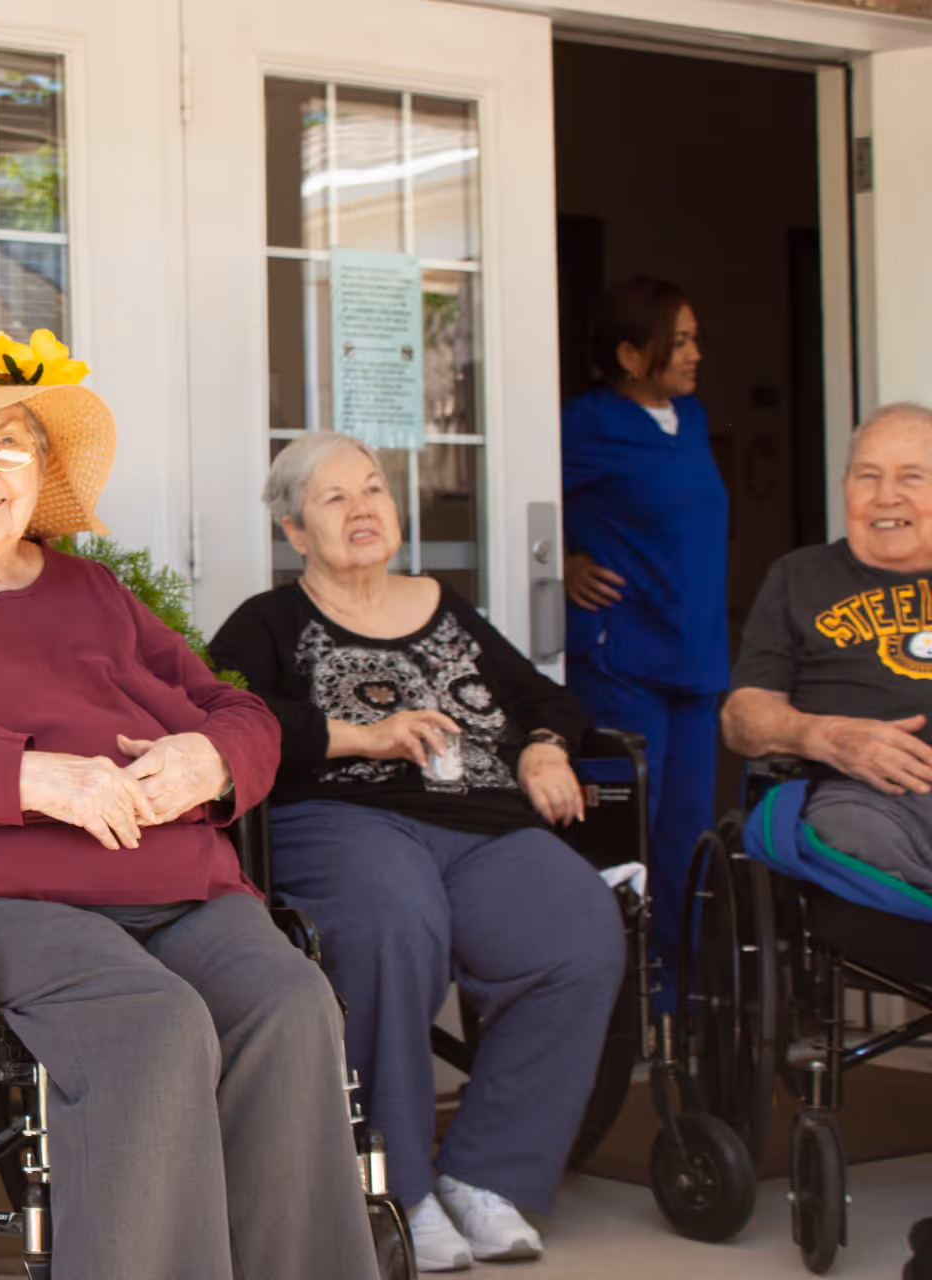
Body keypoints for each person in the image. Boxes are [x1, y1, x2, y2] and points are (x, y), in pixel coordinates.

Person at [0, 328, 377, 1280]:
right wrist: (29, 776)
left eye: (8, 442)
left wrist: (209, 761)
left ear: (41, 464)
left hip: (173, 885)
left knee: (290, 1001)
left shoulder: (90, 592)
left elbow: (242, 712)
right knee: (151, 1020)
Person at [208, 432, 625, 1273]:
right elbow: (233, 723)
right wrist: (365, 734)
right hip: (341, 819)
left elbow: (542, 695)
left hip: (483, 823)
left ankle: (487, 1173)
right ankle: (397, 1185)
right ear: (294, 532)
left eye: (374, 490)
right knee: (394, 923)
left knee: (580, 929)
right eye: (335, 499)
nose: (363, 508)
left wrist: (543, 747)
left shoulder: (446, 604)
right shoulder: (269, 623)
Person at [561, 275, 729, 990]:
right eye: (679, 339)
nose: (695, 353)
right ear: (631, 354)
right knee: (627, 832)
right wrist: (561, 560)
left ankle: (682, 996)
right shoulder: (585, 422)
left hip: (696, 660)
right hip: (624, 659)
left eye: (695, 337)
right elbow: (512, 497)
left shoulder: (687, 420)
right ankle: (621, 995)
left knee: (688, 833)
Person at [725, 402, 932, 890]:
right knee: (845, 835)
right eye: (867, 476)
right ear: (844, 487)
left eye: (911, 477)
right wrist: (830, 737)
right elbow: (741, 719)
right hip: (868, 800)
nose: (886, 497)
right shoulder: (800, 577)